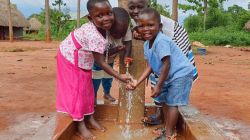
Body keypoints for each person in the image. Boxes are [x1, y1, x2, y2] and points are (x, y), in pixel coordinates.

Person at [56, 0, 130, 139]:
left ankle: (89, 118)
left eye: (108, 13)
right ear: (91, 18)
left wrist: (116, 48)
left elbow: (101, 52)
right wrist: (120, 77)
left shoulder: (104, 30)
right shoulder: (94, 35)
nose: (106, 18)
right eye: (100, 16)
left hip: (82, 59)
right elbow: (101, 62)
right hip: (69, 58)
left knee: (88, 90)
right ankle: (80, 124)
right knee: (77, 91)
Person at [127, 0, 198, 129]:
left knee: (172, 102)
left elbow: (167, 64)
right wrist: (137, 83)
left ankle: (169, 133)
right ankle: (166, 126)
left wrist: (158, 85)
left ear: (160, 27)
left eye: (150, 25)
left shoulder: (161, 40)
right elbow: (150, 66)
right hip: (170, 71)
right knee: (165, 99)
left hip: (180, 72)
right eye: (141, 26)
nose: (145, 29)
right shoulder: (147, 43)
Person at [92, 7, 132, 103]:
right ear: (109, 27)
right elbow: (101, 54)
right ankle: (93, 96)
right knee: (95, 79)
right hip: (97, 61)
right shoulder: (102, 32)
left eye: (121, 34)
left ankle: (107, 93)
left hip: (110, 60)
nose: (118, 36)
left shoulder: (125, 29)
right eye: (115, 33)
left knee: (108, 77)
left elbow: (128, 43)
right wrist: (116, 49)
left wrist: (126, 55)